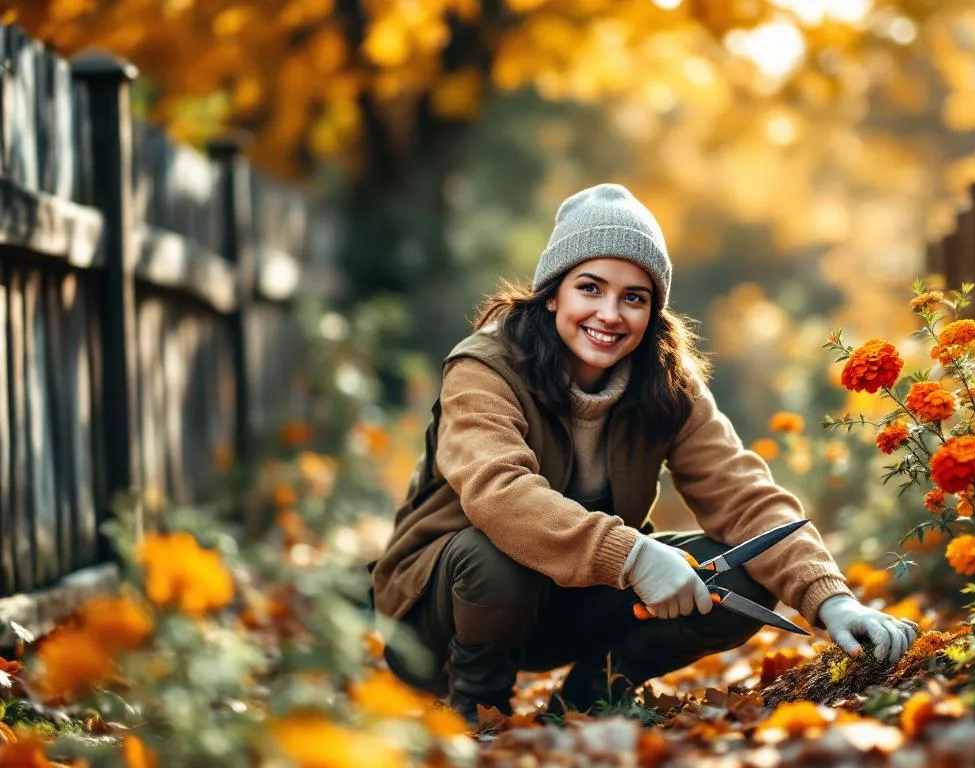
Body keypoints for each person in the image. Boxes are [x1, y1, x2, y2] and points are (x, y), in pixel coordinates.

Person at [371, 183, 917, 720]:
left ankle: (590, 698)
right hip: (439, 619)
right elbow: (499, 494)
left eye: (634, 297)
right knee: (493, 553)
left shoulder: (665, 383)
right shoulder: (485, 368)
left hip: (563, 607)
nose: (610, 314)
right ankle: (479, 709)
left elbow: (743, 494)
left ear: (653, 311)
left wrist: (831, 598)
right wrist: (632, 555)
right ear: (553, 292)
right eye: (590, 288)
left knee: (743, 573)